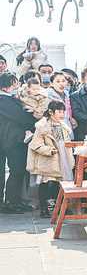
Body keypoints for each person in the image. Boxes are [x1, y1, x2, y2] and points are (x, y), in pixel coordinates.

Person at [26, 101, 74, 218]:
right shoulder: (42, 126)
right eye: (59, 111)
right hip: (48, 159)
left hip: (62, 157)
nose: (62, 114)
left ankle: (62, 208)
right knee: (45, 183)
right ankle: (44, 209)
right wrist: (48, 150)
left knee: (61, 183)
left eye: (63, 111)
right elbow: (35, 144)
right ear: (51, 112)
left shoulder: (63, 125)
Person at [0, 73, 37, 213]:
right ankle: (11, 202)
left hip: (11, 139)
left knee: (17, 171)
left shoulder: (10, 99)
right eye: (15, 83)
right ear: (7, 85)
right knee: (16, 170)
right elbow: (22, 117)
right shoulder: (4, 100)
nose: (18, 86)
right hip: (11, 140)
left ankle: (15, 200)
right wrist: (32, 116)